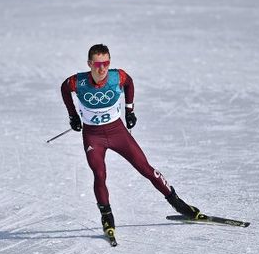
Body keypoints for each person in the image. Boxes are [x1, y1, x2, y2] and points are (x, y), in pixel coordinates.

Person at [60, 44, 200, 238]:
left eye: (106, 63)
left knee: (146, 169)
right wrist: (73, 116)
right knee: (99, 174)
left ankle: (178, 203)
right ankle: (107, 216)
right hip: (94, 136)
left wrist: (129, 110)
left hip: (117, 132)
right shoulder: (78, 81)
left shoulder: (118, 77)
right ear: (89, 64)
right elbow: (64, 89)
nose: (102, 69)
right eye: (98, 64)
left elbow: (130, 83)